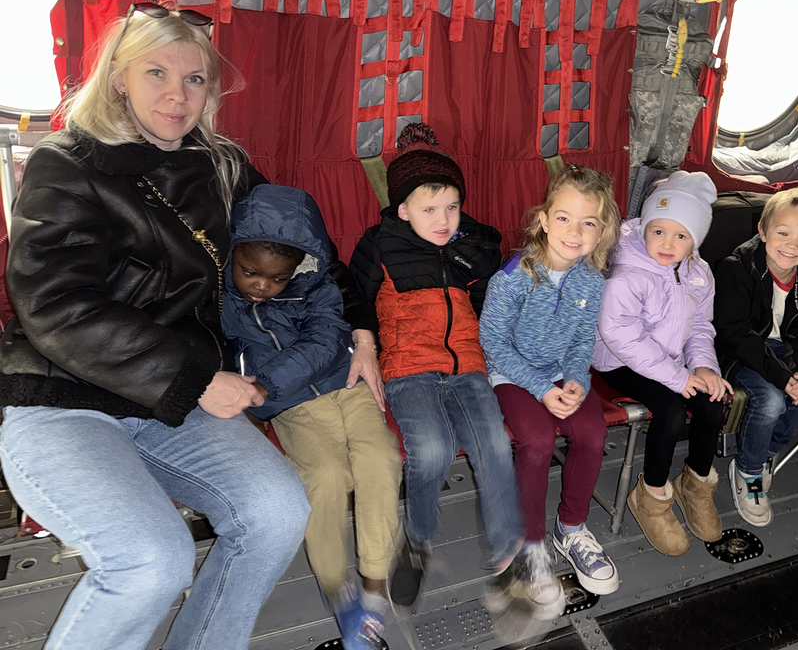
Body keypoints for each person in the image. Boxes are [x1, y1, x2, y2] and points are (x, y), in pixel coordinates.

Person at [0, 3, 310, 650]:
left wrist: (358, 331)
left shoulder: (223, 166)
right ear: (118, 77)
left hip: (173, 406)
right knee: (152, 561)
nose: (177, 94)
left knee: (280, 511)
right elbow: (57, 305)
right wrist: (197, 378)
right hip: (65, 400)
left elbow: (292, 250)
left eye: (195, 79)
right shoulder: (64, 162)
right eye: (156, 73)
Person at [220, 184, 401, 650]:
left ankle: (375, 585)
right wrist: (259, 391)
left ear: (298, 265)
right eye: (250, 272)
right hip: (293, 407)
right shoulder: (221, 299)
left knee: (380, 460)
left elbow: (325, 340)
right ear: (231, 252)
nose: (261, 285)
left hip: (346, 385)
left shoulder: (315, 282)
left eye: (277, 278)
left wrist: (264, 382)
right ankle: (335, 585)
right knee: (325, 476)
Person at [349, 123, 522, 608]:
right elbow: (352, 299)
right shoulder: (380, 244)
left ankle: (512, 559)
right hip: (409, 366)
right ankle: (418, 541)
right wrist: (364, 346)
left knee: (493, 446)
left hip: (468, 364)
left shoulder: (473, 246)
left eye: (452, 206)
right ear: (403, 209)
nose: (443, 219)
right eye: (429, 209)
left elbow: (495, 305)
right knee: (431, 450)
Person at [479, 164, 621, 614]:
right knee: (537, 442)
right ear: (543, 219)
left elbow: (582, 339)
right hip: (513, 374)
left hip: (563, 373)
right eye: (564, 218)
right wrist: (541, 388)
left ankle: (571, 526)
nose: (574, 232)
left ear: (602, 232)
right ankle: (530, 544)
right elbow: (494, 344)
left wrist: (578, 378)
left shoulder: (592, 279)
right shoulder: (514, 276)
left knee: (593, 433)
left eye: (588, 222)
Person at [593, 171, 729, 556]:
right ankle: (651, 496)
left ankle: (696, 485)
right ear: (645, 227)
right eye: (659, 232)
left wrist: (703, 368)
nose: (668, 243)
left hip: (673, 361)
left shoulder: (698, 272)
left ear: (695, 240)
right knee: (669, 411)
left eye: (682, 236)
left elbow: (701, 326)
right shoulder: (627, 270)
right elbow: (620, 334)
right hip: (618, 361)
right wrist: (676, 376)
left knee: (712, 401)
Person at [713, 188, 798, 528]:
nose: (792, 245)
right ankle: (748, 471)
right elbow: (736, 334)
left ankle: (763, 451)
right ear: (763, 231)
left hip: (784, 351)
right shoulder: (736, 269)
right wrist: (782, 378)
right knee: (769, 401)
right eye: (783, 233)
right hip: (737, 352)